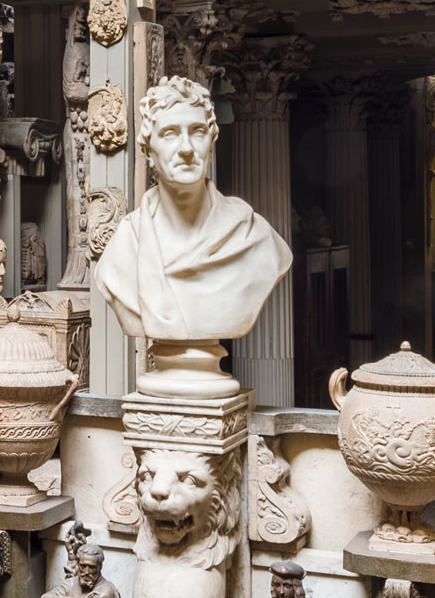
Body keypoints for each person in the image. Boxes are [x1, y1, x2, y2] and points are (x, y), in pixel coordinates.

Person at [94, 76, 291, 395]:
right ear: (148, 147)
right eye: (170, 134)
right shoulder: (125, 248)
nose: (186, 148)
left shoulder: (251, 236)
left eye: (197, 132)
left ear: (211, 141)